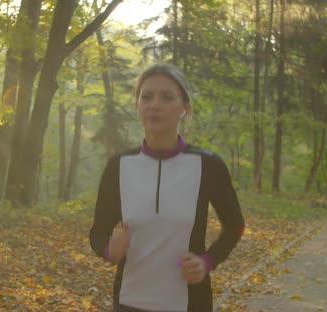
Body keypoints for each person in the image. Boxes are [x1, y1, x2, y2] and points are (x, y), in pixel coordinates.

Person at [89, 63, 245, 312]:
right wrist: (109, 249)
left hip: (190, 303)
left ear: (183, 107)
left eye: (167, 97)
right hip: (129, 302)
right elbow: (98, 232)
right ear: (137, 105)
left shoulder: (208, 165)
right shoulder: (118, 166)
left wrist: (207, 261)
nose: (154, 104)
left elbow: (235, 225)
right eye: (147, 96)